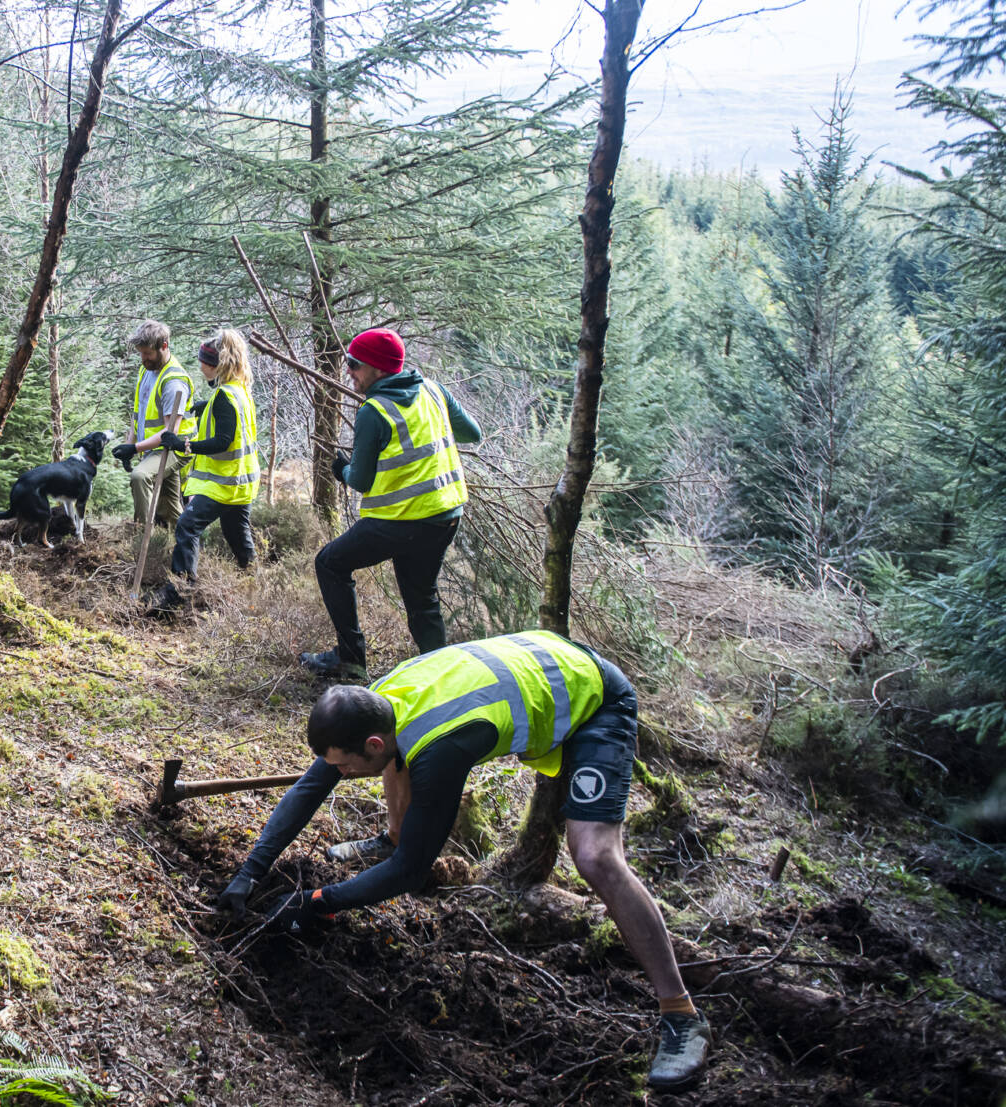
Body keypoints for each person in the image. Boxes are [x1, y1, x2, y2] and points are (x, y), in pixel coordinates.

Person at [216, 631, 711, 1090]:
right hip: (538, 658)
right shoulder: (379, 704)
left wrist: (317, 900)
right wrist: (250, 871)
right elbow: (311, 786)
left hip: (594, 699)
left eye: (345, 765)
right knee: (401, 757)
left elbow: (412, 872)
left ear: (369, 743)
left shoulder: (441, 748)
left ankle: (681, 1013)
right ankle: (390, 837)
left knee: (595, 857)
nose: (340, 775)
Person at [299, 328, 481, 682]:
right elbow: (472, 433)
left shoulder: (375, 411)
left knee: (330, 563)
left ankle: (350, 661)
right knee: (422, 599)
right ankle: (442, 679)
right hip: (445, 515)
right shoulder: (433, 390)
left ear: (378, 369)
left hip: (400, 521)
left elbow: (360, 481)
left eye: (354, 364)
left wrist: (342, 469)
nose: (348, 370)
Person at [152, 330, 258, 605]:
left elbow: (222, 441)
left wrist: (182, 444)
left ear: (215, 365)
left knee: (187, 526)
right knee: (237, 534)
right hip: (243, 482)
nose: (200, 367)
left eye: (202, 362)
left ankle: (179, 592)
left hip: (223, 483)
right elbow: (230, 423)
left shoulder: (224, 396)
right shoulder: (240, 389)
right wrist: (206, 406)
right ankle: (255, 586)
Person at [110, 320, 195, 529]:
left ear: (164, 346)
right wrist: (130, 444)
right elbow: (138, 413)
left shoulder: (173, 381)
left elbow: (170, 432)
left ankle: (140, 534)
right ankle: (185, 544)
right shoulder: (146, 370)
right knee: (171, 505)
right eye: (141, 353)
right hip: (154, 447)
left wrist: (136, 447)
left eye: (147, 353)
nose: (143, 358)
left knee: (140, 476)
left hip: (176, 446)